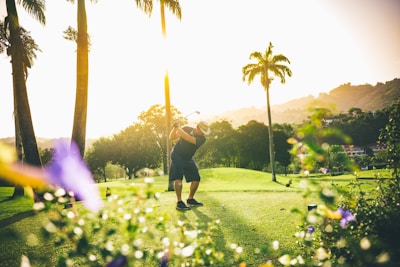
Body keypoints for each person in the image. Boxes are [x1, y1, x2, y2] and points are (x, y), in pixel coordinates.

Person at [169, 120, 211, 211]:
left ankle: (190, 199)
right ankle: (179, 202)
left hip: (188, 158)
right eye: (203, 131)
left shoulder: (202, 139)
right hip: (177, 155)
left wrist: (178, 127)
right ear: (197, 128)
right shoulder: (186, 128)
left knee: (196, 178)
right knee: (178, 177)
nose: (204, 134)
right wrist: (174, 128)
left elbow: (188, 138)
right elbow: (172, 137)